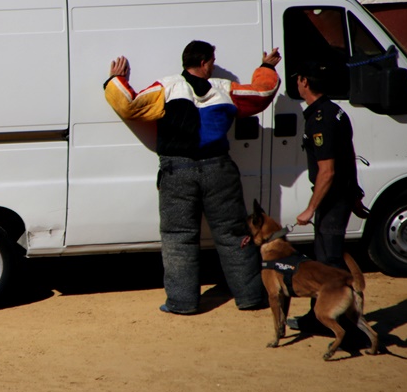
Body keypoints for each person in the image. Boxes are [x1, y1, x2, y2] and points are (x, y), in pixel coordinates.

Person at [105, 40, 281, 314]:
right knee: (233, 234)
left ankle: (182, 302)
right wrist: (266, 67)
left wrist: (116, 79)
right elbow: (262, 93)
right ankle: (249, 297)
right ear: (203, 62)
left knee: (178, 237)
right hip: (218, 170)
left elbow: (129, 105)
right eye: (211, 60)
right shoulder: (225, 89)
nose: (213, 65)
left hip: (177, 171)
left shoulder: (166, 87)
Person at [288, 60, 368, 333]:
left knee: (330, 264)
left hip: (332, 198)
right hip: (340, 195)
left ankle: (349, 326)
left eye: (298, 79)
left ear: (305, 82)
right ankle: (319, 318)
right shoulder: (336, 112)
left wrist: (310, 209)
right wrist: (356, 193)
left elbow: (327, 170)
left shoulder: (319, 120)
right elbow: (349, 156)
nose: (297, 84)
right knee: (324, 262)